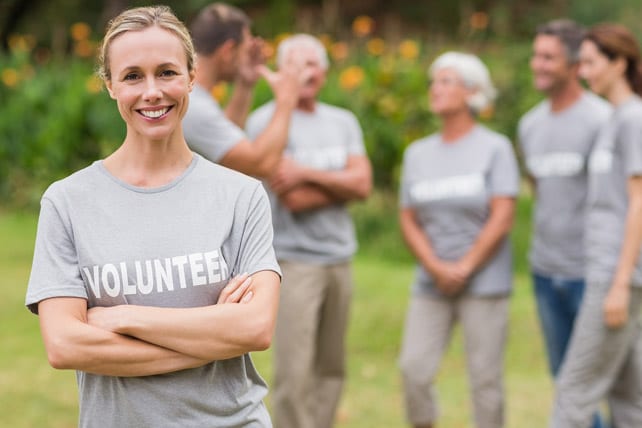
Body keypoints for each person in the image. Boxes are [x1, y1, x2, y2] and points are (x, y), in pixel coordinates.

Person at [25, 6, 280, 427]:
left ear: (192, 77)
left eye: (166, 72)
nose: (152, 92)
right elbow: (66, 346)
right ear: (110, 86)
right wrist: (212, 333)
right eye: (132, 76)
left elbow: (255, 329)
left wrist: (124, 317)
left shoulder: (241, 195)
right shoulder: (67, 202)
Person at [245, 34, 372, 428]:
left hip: (339, 258)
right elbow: (292, 197)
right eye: (296, 65)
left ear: (325, 72)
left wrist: (307, 173)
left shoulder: (342, 121)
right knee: (295, 371)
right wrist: (339, 183)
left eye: (313, 65)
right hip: (294, 260)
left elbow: (364, 184)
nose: (306, 73)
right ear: (282, 73)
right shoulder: (265, 121)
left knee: (331, 365)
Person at [398, 52, 519, 428]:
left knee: (485, 380)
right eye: (435, 81)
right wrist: (435, 267)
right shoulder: (417, 153)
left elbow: (503, 215)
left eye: (447, 81)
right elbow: (408, 217)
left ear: (472, 93)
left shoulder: (495, 147)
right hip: (431, 282)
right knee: (413, 369)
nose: (436, 88)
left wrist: (466, 266)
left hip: (484, 282)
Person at [518, 19, 611, 428]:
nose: (537, 64)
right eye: (536, 55)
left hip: (591, 274)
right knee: (564, 382)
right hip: (545, 272)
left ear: (575, 65)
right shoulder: (529, 125)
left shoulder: (602, 120)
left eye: (548, 57)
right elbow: (541, 189)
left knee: (607, 385)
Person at [551, 23, 642, 428]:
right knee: (628, 395)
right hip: (607, 271)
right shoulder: (613, 119)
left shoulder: (634, 119)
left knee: (573, 392)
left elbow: (640, 200)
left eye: (590, 62)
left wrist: (620, 281)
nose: (582, 71)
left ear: (619, 63)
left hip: (617, 275)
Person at [183, 2, 306, 177]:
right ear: (228, 51)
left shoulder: (195, 97)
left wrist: (245, 85)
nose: (247, 57)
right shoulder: (193, 105)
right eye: (245, 50)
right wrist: (286, 99)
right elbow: (261, 165)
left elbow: (225, 143)